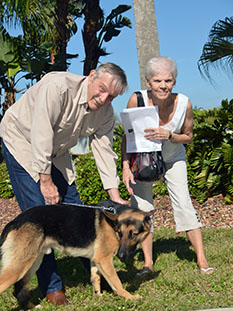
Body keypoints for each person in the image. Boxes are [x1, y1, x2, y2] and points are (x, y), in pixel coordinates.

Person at [0, 62, 128, 305]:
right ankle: (52, 287)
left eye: (111, 96)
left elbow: (104, 151)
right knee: (40, 216)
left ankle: (101, 275)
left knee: (76, 209)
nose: (103, 98)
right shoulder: (57, 86)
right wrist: (45, 180)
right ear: (91, 76)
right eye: (101, 89)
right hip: (22, 141)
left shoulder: (106, 113)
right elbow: (41, 133)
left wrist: (114, 195)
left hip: (56, 150)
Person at [121, 56, 214, 277]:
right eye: (158, 81)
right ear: (148, 82)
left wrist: (170, 135)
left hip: (173, 158)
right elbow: (127, 136)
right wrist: (125, 166)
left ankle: (202, 259)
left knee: (183, 203)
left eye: (168, 80)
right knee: (142, 209)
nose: (163, 85)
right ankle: (148, 263)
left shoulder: (184, 103)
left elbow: (188, 136)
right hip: (143, 160)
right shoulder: (136, 100)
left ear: (174, 82)